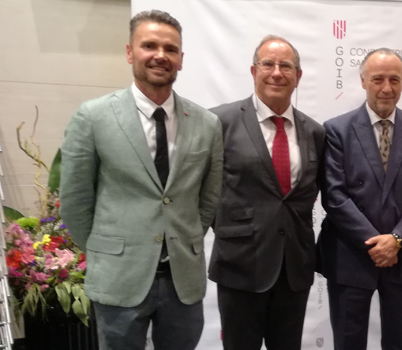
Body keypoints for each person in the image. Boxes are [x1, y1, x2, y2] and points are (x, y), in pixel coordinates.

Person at [59, 10, 223, 350]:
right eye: (149, 45)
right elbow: (75, 201)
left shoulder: (207, 124)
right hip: (119, 277)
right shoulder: (94, 116)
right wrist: (107, 251)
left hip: (183, 280)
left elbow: (208, 199)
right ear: (130, 52)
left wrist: (184, 235)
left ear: (181, 60)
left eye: (171, 48)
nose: (160, 55)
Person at [208, 35, 324, 349]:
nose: (277, 72)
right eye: (268, 64)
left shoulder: (314, 131)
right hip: (240, 265)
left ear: (298, 76)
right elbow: (203, 192)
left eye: (286, 66)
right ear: (253, 70)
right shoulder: (219, 122)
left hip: (294, 270)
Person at [317, 48, 402, 350]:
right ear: (362, 81)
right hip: (350, 256)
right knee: (348, 343)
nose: (386, 88)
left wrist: (396, 241)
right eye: (378, 79)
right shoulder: (337, 130)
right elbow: (334, 196)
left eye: (394, 79)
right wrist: (377, 243)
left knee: (400, 344)